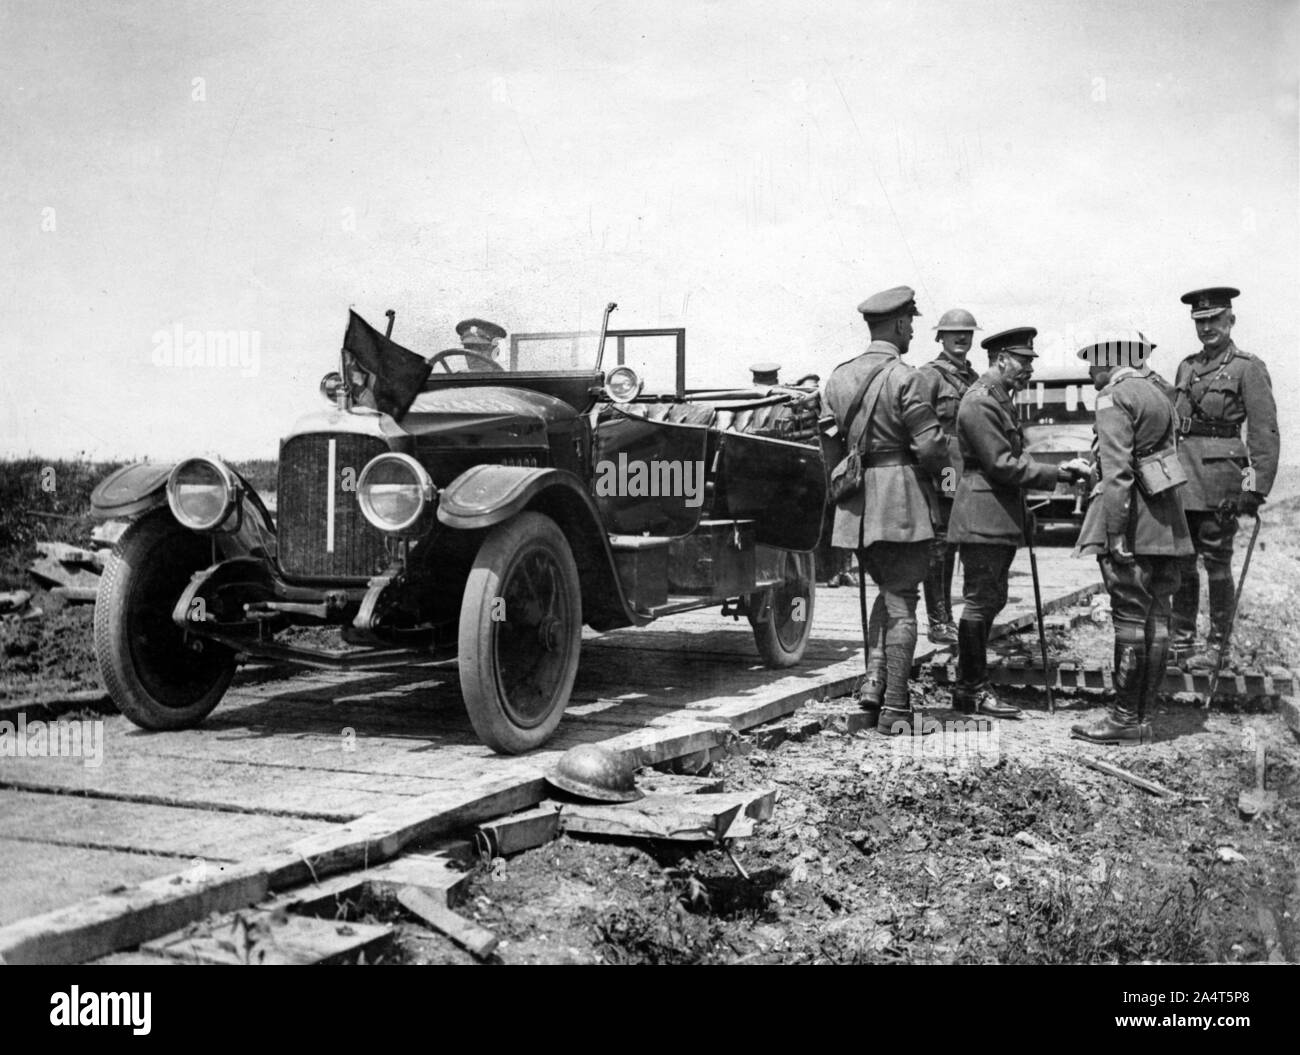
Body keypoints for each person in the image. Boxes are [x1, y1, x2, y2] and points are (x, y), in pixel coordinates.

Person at [948, 327, 1091, 719]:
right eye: (1024, 361)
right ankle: (970, 689)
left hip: (995, 515)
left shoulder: (999, 399)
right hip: (982, 515)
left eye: (1031, 361)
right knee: (980, 602)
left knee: (989, 599)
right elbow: (1001, 463)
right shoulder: (980, 402)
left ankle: (971, 686)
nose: (1029, 368)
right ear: (1001, 360)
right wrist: (1060, 473)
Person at [824, 285, 948, 734]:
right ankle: (896, 707)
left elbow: (828, 448)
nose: (913, 330)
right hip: (900, 500)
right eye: (911, 323)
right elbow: (930, 446)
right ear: (897, 324)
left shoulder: (837, 377)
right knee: (903, 603)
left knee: (888, 592)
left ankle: (873, 689)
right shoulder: (907, 377)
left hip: (856, 507)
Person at [1071, 338, 1194, 744]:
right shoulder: (1159, 392)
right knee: (1158, 617)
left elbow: (1118, 471)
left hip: (1134, 524)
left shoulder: (1113, 397)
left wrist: (1115, 532)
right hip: (1165, 522)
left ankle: (1124, 719)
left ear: (1110, 362)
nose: (1091, 374)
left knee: (1128, 617)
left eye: (1093, 365)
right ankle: (1143, 716)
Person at [1169, 287, 1279, 669]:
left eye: (1215, 320)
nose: (1207, 328)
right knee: (1182, 562)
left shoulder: (1248, 367)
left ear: (1230, 320)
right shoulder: (1186, 367)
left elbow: (1263, 434)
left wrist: (1254, 488)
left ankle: (1218, 648)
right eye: (1200, 321)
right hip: (1183, 483)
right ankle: (1182, 643)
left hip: (1221, 483)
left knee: (1217, 563)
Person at [916, 308, 982, 644]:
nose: (961, 338)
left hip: (969, 470)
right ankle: (938, 619)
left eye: (967, 333)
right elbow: (921, 427)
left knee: (956, 542)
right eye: (954, 333)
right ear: (940, 337)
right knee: (940, 542)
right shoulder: (930, 376)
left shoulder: (975, 379)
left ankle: (949, 616)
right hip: (944, 469)